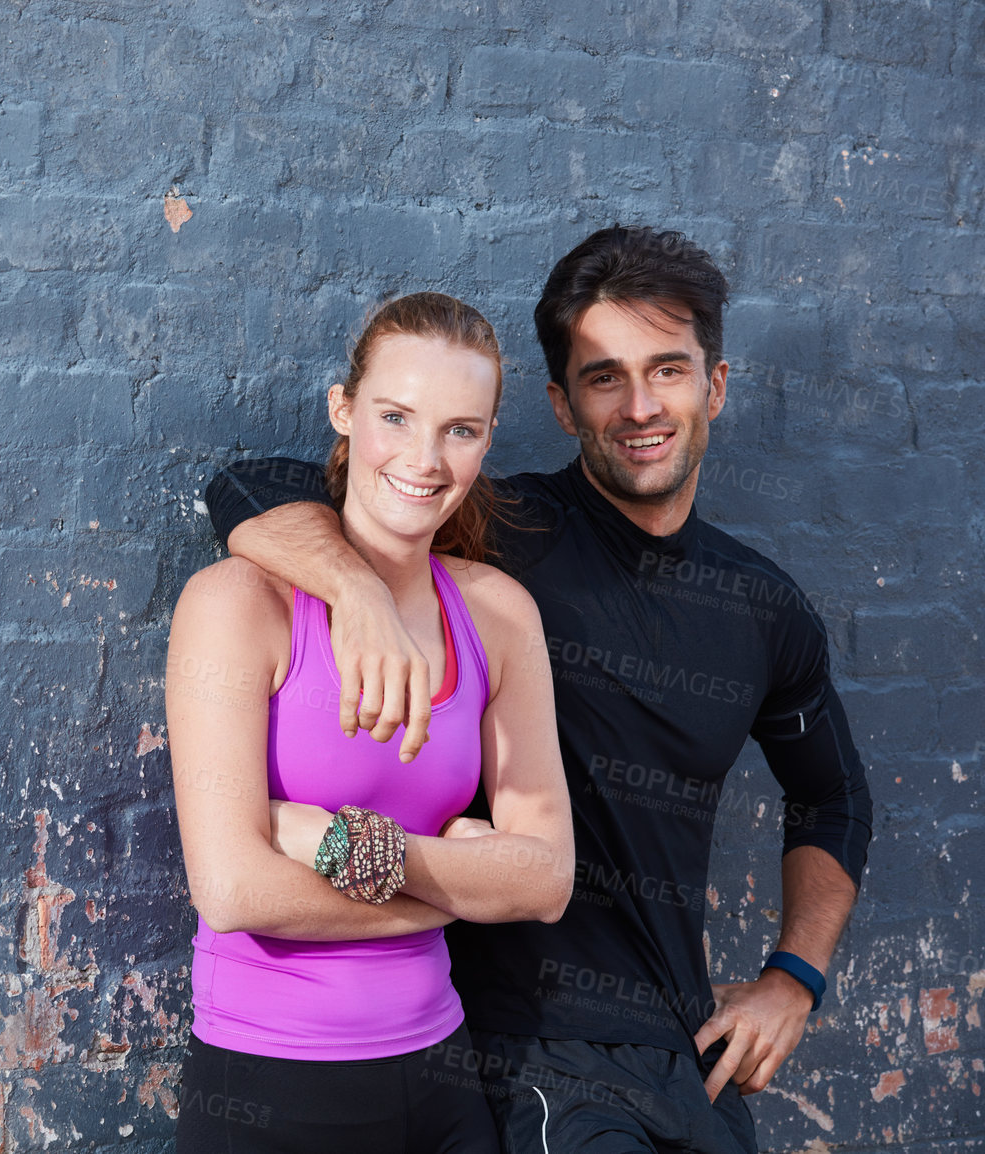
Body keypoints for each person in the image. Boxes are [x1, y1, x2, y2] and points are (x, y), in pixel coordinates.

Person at [203, 227, 874, 1153]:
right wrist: (354, 590)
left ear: (715, 385)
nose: (640, 406)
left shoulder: (764, 607)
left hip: (689, 1054)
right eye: (605, 377)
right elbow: (246, 486)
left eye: (669, 370)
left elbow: (832, 795)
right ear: (562, 405)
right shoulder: (492, 530)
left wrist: (795, 974)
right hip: (528, 1055)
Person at [167, 292, 574, 1154]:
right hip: (267, 1086)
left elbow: (544, 881)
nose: (425, 459)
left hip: (442, 1080)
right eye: (396, 416)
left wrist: (344, 848)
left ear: (490, 438)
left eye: (461, 430)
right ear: (343, 411)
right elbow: (234, 890)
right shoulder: (237, 605)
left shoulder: (498, 615)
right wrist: (460, 886)